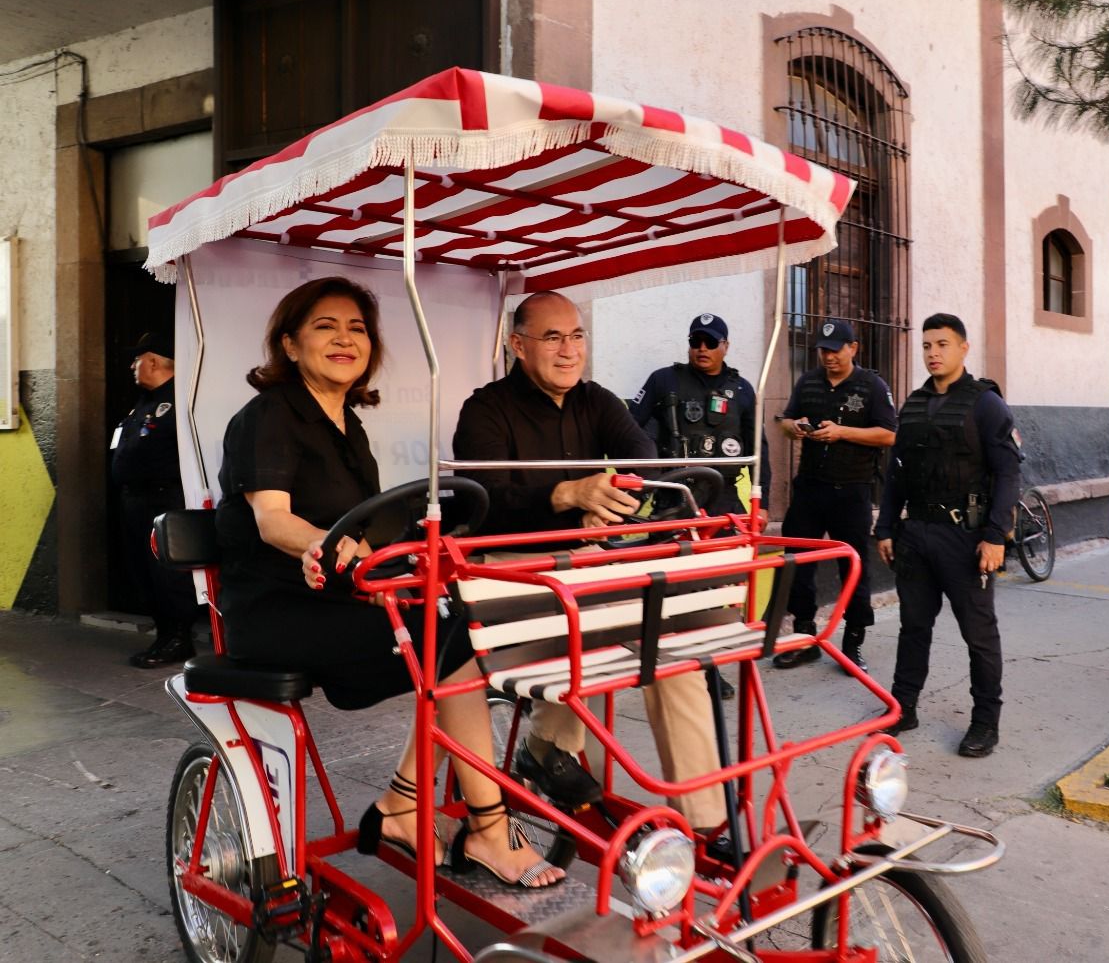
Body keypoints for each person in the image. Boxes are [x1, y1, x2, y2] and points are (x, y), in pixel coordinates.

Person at [215, 277, 563, 888]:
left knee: (459, 624)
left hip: (338, 599)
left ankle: (406, 807)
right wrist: (331, 546)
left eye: (357, 329)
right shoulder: (268, 415)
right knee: (448, 636)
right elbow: (274, 521)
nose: (345, 339)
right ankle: (483, 825)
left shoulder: (348, 425)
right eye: (326, 327)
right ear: (291, 345)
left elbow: (366, 534)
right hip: (276, 610)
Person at [453, 291, 727, 834]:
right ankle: (546, 748)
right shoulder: (485, 408)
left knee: (668, 648)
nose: (568, 350)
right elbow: (481, 500)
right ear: (518, 345)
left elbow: (642, 454)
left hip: (577, 566)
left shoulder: (596, 400)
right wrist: (563, 496)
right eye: (552, 337)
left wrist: (617, 497)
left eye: (577, 336)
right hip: (506, 568)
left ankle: (707, 825)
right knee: (587, 623)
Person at [874, 313, 1020, 758]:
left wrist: (995, 536)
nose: (933, 353)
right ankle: (904, 707)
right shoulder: (914, 404)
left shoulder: (985, 404)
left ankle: (985, 722)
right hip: (916, 533)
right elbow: (896, 472)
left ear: (963, 348)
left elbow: (1008, 471)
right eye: (927, 345)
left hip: (966, 537)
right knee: (913, 626)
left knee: (978, 634)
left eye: (942, 344)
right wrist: (885, 527)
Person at [772, 319, 896, 670]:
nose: (828, 357)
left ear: (853, 348)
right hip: (810, 488)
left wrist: (843, 432)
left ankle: (853, 642)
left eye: (835, 350)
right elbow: (784, 421)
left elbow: (889, 434)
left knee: (853, 565)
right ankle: (804, 636)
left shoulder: (872, 385)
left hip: (851, 491)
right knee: (797, 563)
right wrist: (793, 428)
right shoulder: (808, 382)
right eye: (823, 351)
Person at [113, 329, 202, 668]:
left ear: (152, 361)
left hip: (164, 500)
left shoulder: (180, 400)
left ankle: (178, 639)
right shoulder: (145, 402)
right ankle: (165, 635)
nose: (133, 365)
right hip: (136, 501)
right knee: (143, 572)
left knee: (167, 574)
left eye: (136, 359)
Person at [629, 312, 769, 518]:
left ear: (726, 346)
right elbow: (629, 431)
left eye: (710, 342)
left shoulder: (742, 390)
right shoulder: (664, 380)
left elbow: (758, 449)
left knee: (728, 549)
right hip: (674, 497)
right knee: (671, 550)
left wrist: (762, 504)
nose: (702, 348)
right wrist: (639, 484)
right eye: (696, 341)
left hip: (724, 498)